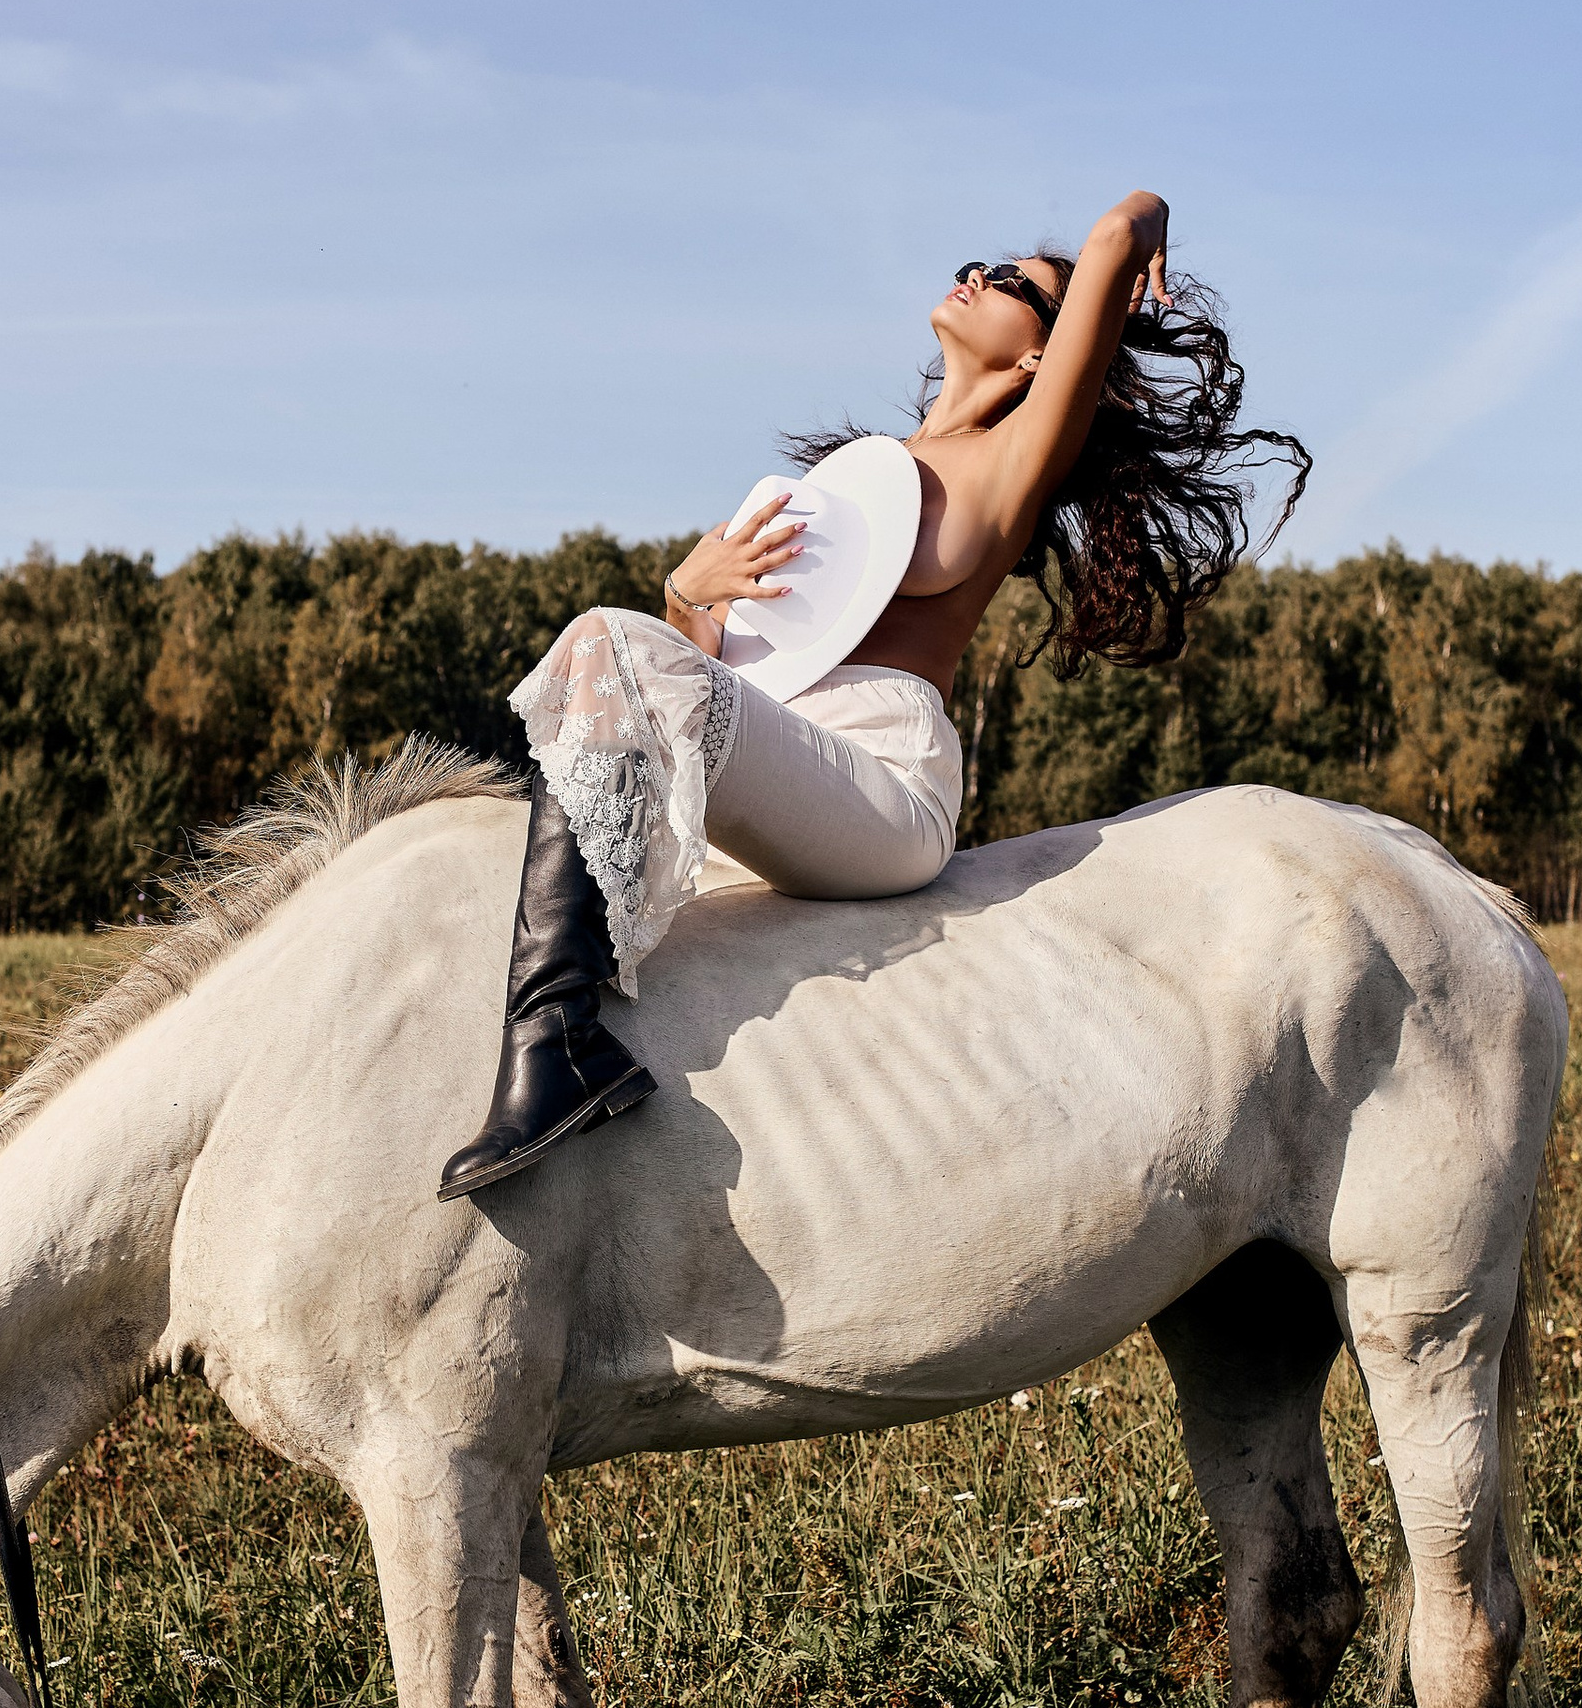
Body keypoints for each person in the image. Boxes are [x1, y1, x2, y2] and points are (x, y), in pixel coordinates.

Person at [438, 190, 1308, 1201]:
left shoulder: (1009, 464)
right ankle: (563, 1021)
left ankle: (557, 1048)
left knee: (601, 636)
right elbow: (707, 686)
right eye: (983, 262)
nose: (978, 275)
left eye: (1015, 283)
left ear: (1043, 352)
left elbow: (1115, 236)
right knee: (617, 651)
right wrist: (686, 595)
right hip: (781, 776)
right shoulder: (838, 489)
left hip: (881, 787)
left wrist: (1139, 223)